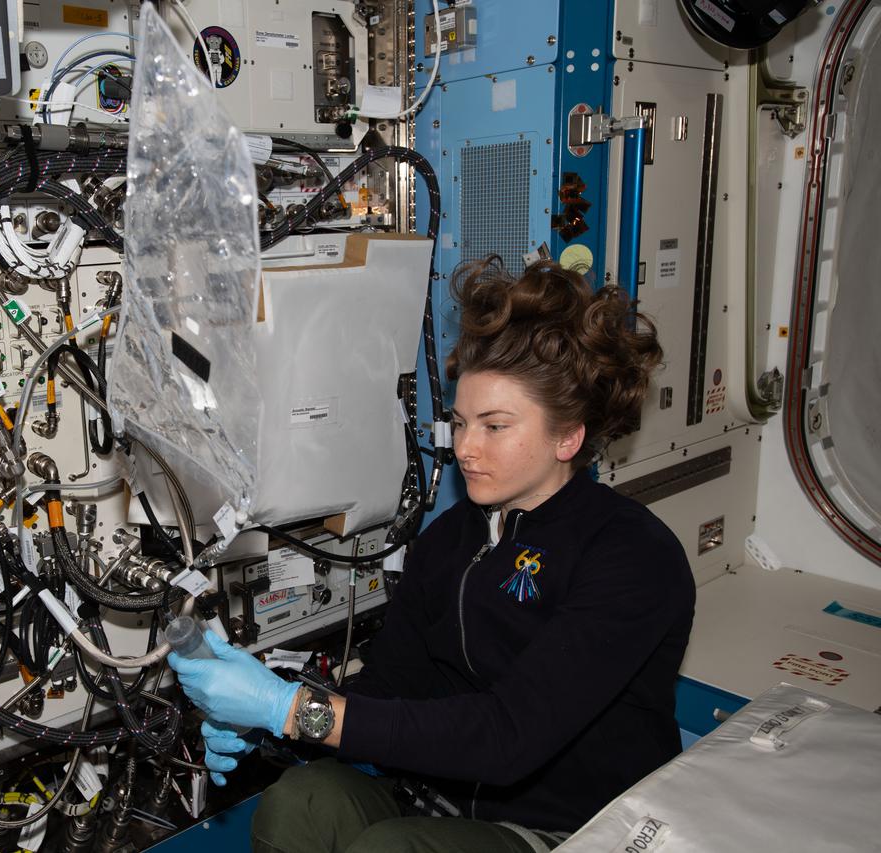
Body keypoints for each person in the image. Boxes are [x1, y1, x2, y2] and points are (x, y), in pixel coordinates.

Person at [168, 258, 696, 853]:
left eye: (495, 427)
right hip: (439, 803)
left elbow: (508, 738)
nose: (465, 448)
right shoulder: (452, 539)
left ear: (567, 437)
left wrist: (291, 710)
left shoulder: (631, 555)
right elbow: (387, 694)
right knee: (303, 801)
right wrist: (264, 711)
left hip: (574, 829)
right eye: (461, 422)